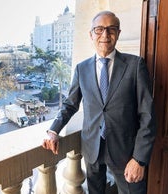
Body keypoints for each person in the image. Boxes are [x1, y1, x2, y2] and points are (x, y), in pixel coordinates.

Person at [42, 11, 156, 194]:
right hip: (92, 149)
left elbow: (148, 115)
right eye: (99, 29)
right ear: (91, 34)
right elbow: (70, 104)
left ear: (118, 33)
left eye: (111, 29)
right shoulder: (82, 68)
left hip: (126, 152)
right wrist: (53, 130)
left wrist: (139, 159)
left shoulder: (135, 66)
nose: (105, 35)